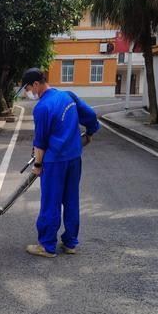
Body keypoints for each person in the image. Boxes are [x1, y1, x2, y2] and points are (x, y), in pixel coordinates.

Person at [21, 67, 100, 258]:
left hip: (54, 162)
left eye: (28, 88)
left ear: (36, 84)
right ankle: (70, 243)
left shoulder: (42, 108)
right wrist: (90, 132)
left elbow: (40, 143)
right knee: (71, 200)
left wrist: (37, 166)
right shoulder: (68, 96)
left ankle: (47, 245)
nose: (28, 93)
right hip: (74, 159)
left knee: (51, 202)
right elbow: (90, 116)